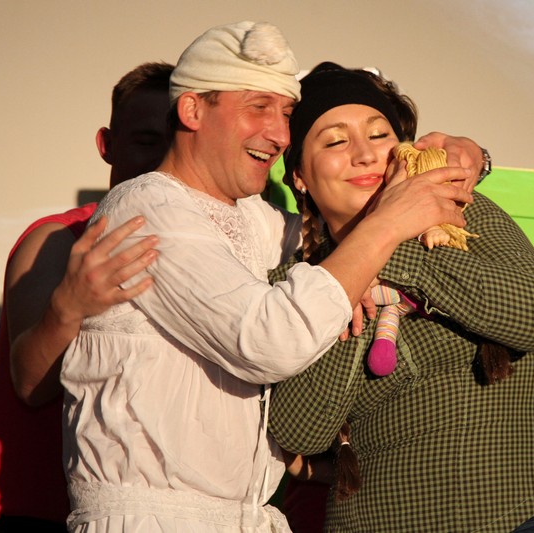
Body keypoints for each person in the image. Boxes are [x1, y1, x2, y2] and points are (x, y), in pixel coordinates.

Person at [60, 21, 475, 532]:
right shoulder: (146, 208)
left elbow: (339, 229)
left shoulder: (255, 219)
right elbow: (268, 339)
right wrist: (385, 227)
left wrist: (462, 156)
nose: (279, 135)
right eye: (258, 108)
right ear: (192, 110)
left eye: (286, 113)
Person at [268, 62, 534, 532]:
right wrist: (354, 271)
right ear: (300, 177)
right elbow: (300, 428)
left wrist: (392, 252)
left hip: (522, 520)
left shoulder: (462, 212)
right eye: (334, 142)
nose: (364, 155)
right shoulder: (298, 281)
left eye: (379, 136)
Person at [0, 62, 173, 532]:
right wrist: (72, 306)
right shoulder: (58, 238)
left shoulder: (202, 249)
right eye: (146, 141)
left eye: (175, 143)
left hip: (131, 511)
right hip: (29, 508)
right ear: (107, 144)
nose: (162, 158)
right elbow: (31, 385)